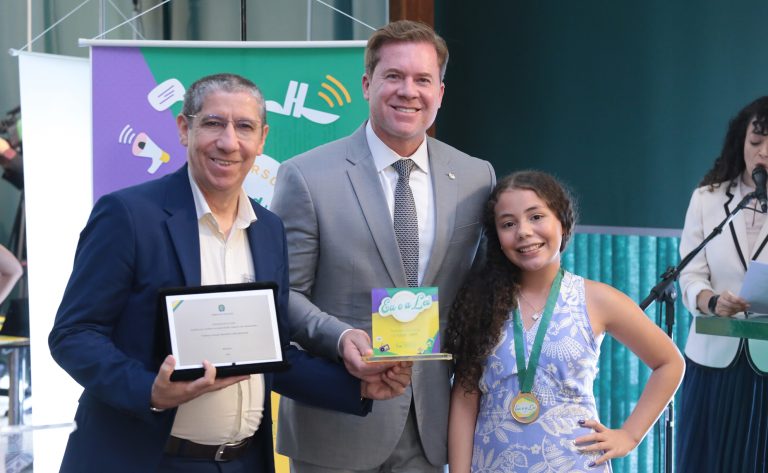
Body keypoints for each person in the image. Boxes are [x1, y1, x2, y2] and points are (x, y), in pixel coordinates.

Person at [49, 73, 411, 473]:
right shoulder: (129, 216)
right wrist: (150, 390)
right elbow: (74, 334)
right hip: (146, 460)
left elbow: (271, 353)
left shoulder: (269, 229)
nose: (228, 142)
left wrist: (356, 386)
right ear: (185, 128)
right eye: (213, 123)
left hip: (243, 462)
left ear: (262, 139)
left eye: (244, 127)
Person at [271, 20, 496, 472]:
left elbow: (484, 290)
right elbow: (283, 296)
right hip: (338, 423)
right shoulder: (306, 176)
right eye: (393, 76)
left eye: (422, 79)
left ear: (440, 92)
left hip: (434, 428)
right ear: (367, 84)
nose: (407, 91)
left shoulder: (476, 177)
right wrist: (340, 339)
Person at [446, 171, 684, 472]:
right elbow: (466, 398)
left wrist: (630, 436)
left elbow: (670, 363)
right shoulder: (480, 304)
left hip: (575, 464)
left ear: (562, 220)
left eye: (536, 217)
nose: (523, 231)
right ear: (497, 238)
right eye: (508, 223)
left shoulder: (596, 299)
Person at [677, 96, 768, 472]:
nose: (763, 153)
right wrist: (711, 301)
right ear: (740, 142)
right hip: (713, 357)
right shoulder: (708, 198)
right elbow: (690, 273)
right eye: (756, 141)